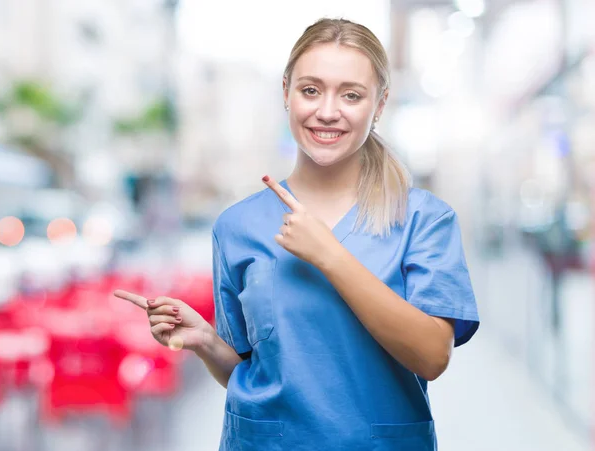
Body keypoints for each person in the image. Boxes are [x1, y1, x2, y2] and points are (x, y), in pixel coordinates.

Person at [115, 17, 479, 450]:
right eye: (310, 90)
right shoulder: (237, 227)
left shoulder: (424, 218)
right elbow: (256, 376)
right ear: (286, 92)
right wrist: (207, 343)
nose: (327, 111)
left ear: (379, 105)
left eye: (351, 94)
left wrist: (330, 256)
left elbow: (433, 355)